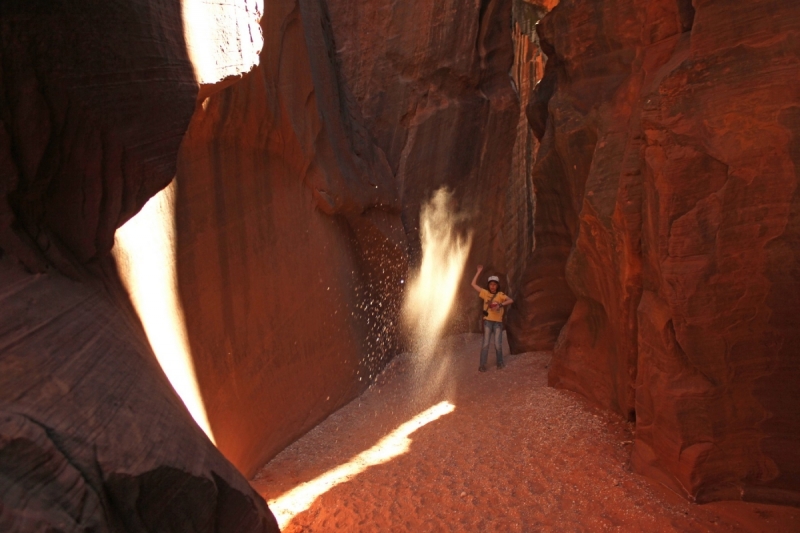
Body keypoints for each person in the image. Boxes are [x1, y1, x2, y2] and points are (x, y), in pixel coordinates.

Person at [470, 265, 514, 372]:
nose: (492, 287)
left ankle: (500, 363)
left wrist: (500, 305)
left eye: (494, 285)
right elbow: (473, 284)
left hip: (498, 322)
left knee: (498, 344)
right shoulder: (485, 293)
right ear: (488, 286)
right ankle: (482, 365)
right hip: (488, 322)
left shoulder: (500, 295)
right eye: (491, 285)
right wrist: (479, 271)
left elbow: (510, 300)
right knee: (485, 344)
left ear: (497, 286)